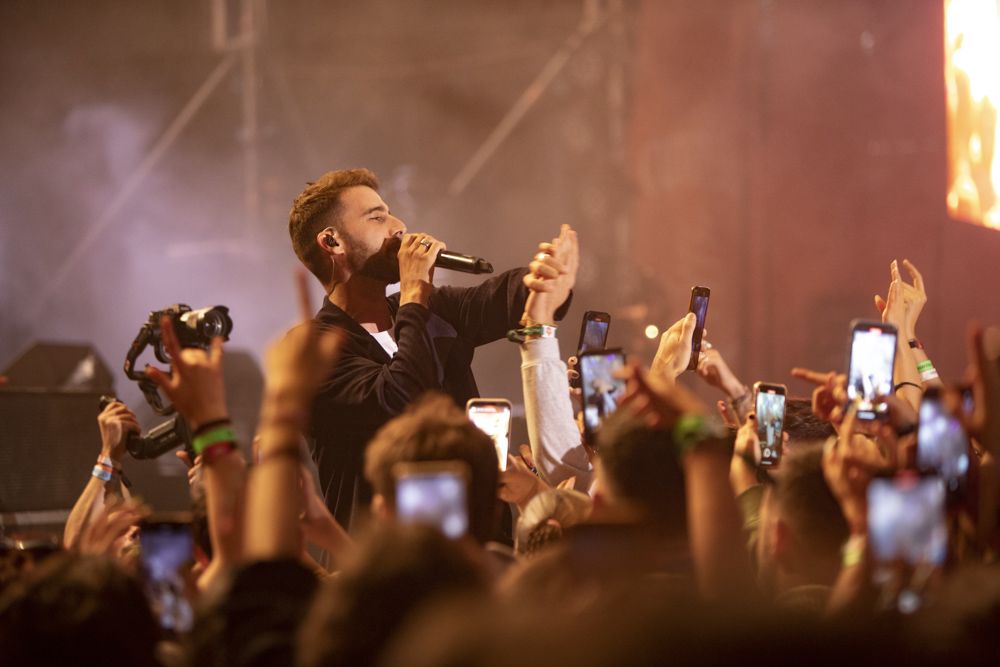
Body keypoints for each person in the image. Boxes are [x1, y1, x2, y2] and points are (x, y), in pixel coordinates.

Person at [287, 168, 571, 529]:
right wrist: (414, 294)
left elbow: (506, 299)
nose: (399, 226)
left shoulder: (433, 309)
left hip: (479, 553)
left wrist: (546, 279)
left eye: (390, 212)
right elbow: (400, 398)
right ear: (333, 242)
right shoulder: (314, 349)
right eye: (377, 217)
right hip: (392, 566)